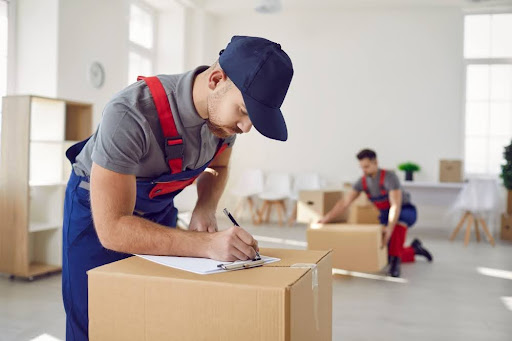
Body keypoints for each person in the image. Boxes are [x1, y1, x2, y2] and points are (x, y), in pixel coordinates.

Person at [62, 35, 294, 340]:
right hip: (97, 217)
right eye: (244, 111)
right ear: (216, 80)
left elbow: (218, 167)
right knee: (96, 319)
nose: (246, 127)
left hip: (157, 213)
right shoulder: (130, 114)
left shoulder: (223, 123)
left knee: (155, 313)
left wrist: (205, 207)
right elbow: (113, 228)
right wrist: (206, 245)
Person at [319, 149, 432, 277]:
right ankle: (414, 250)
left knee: (397, 226)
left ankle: (395, 263)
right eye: (362, 167)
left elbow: (395, 206)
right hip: (385, 215)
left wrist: (389, 229)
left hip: (405, 211)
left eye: (367, 166)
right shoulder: (362, 182)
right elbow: (345, 202)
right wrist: (326, 219)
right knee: (385, 254)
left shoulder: (390, 178)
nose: (364, 170)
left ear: (376, 162)